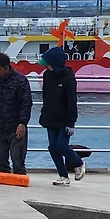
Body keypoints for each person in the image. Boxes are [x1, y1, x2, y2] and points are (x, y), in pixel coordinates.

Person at [38, 46, 86, 186]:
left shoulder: (69, 78)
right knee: (53, 147)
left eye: (48, 63)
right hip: (50, 117)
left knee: (62, 145)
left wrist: (71, 122)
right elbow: (46, 96)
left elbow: (72, 101)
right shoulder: (47, 75)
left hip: (65, 119)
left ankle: (79, 163)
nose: (46, 66)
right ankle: (63, 175)